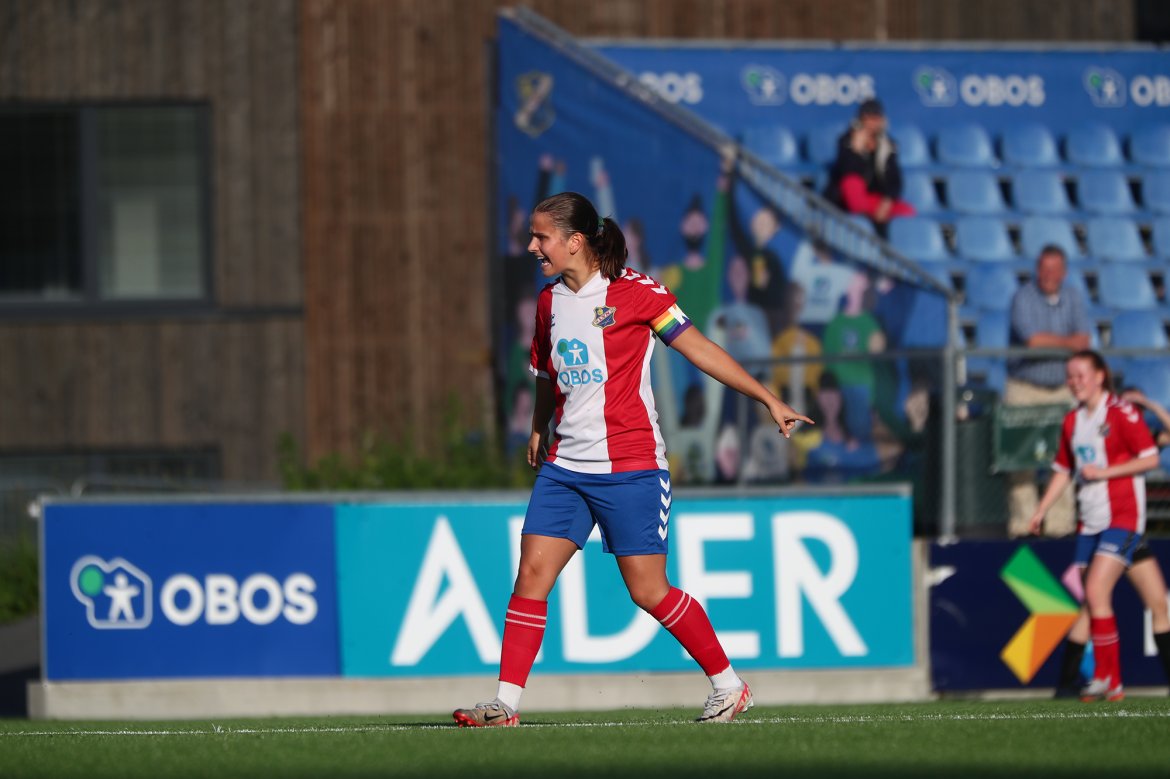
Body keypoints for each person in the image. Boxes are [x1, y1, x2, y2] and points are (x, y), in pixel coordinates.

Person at [452, 192, 812, 727]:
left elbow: (700, 349)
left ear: (575, 241)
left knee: (647, 590)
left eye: (541, 237)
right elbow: (547, 375)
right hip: (565, 469)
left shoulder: (638, 293)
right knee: (531, 574)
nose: (531, 247)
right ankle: (505, 705)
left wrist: (767, 399)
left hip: (631, 466)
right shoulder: (549, 303)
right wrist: (538, 425)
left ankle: (728, 685)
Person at [1029, 350, 1160, 702]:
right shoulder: (1072, 420)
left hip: (1123, 519)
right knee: (1099, 599)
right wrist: (1041, 509)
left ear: (1100, 376)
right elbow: (1063, 470)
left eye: (1081, 375)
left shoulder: (1121, 412)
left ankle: (1107, 679)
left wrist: (1105, 473)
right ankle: (1103, 680)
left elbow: (1151, 457)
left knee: (1098, 591)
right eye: (1070, 376)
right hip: (1090, 523)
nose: (1074, 382)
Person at [1050, 386, 1170, 698]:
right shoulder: (1102, 435)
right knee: (1093, 604)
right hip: (1109, 529)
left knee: (1158, 604)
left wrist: (1150, 404)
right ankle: (1069, 683)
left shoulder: (1142, 438)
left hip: (1130, 535)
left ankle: (1076, 683)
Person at [1006, 245, 1095, 538]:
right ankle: (1024, 525)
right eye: (1044, 268)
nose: (1048, 275)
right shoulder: (1023, 297)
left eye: (1054, 269)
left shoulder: (1073, 297)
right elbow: (1033, 341)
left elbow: (1084, 340)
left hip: (1061, 390)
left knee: (1064, 459)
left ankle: (1059, 526)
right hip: (1025, 389)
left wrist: (1054, 343)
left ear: (1064, 272)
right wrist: (1067, 343)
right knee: (1020, 460)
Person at [822, 99, 915, 236]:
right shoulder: (846, 141)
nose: (872, 123)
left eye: (876, 118)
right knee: (852, 185)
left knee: (907, 211)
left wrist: (887, 201)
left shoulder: (888, 145)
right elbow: (848, 172)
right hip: (846, 200)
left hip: (875, 200)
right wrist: (856, 151)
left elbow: (895, 180)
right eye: (868, 118)